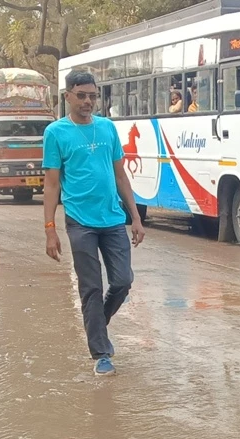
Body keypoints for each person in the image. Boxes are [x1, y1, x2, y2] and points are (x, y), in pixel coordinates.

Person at [42, 69, 146, 376]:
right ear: (68, 97)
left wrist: (135, 217)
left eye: (93, 96)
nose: (88, 102)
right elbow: (51, 185)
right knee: (91, 287)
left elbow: (120, 175)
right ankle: (101, 354)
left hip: (112, 219)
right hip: (80, 222)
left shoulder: (107, 128)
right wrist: (50, 230)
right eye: (81, 96)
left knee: (123, 281)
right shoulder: (55, 133)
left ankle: (97, 323)